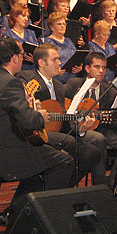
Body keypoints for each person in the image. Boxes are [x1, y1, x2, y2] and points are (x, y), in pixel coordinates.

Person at [0, 39, 74, 206]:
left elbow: (10, 113)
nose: (23, 59)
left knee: (47, 153)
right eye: (22, 55)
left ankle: (17, 209)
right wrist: (40, 116)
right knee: (63, 161)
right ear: (15, 59)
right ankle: (38, 212)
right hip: (1, 153)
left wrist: (30, 109)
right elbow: (28, 121)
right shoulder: (10, 82)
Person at [17, 43, 100, 185]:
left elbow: (64, 120)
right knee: (69, 146)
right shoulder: (26, 78)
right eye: (55, 59)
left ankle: (62, 187)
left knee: (92, 153)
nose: (60, 63)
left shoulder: (60, 88)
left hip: (58, 133)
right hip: (35, 135)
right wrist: (32, 106)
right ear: (41, 62)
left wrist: (81, 129)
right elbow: (21, 107)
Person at [65, 52, 117, 187]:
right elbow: (66, 112)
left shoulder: (110, 91)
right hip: (79, 130)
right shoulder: (74, 84)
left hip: (105, 130)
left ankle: (114, 184)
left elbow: (113, 120)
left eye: (104, 67)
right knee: (98, 138)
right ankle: (99, 187)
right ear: (87, 68)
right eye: (97, 67)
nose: (101, 71)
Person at [45, 12, 83, 83]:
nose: (62, 26)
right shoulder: (48, 42)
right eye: (59, 24)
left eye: (64, 24)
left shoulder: (68, 41)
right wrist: (54, 71)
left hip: (72, 80)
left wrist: (79, 67)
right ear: (51, 27)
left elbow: (76, 58)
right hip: (57, 81)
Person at [0, 4, 38, 70]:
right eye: (23, 16)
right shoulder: (7, 34)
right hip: (14, 69)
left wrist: (34, 59)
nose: (26, 19)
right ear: (15, 17)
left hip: (31, 68)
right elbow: (4, 54)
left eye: (28, 17)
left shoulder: (31, 33)